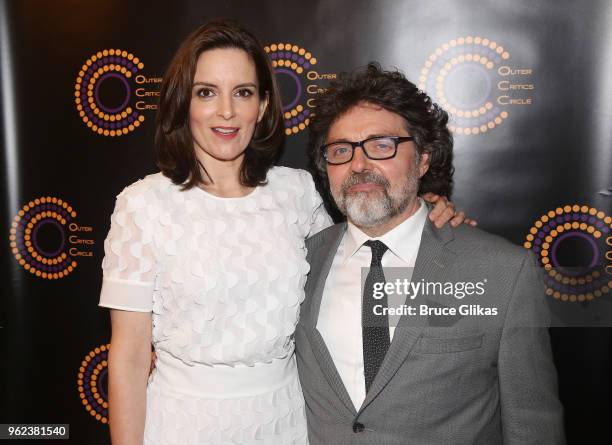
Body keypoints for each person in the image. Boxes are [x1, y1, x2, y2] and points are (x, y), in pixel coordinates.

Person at [99, 21, 469, 445]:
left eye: (243, 92)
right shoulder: (143, 205)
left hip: (287, 420)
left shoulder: (297, 192)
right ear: (184, 104)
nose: (226, 111)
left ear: (261, 106)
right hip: (184, 422)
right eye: (206, 92)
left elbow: (356, 262)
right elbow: (128, 356)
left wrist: (427, 213)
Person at [296, 63, 565, 444]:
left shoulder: (503, 272)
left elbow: (532, 422)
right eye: (341, 150)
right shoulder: (301, 263)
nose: (359, 164)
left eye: (381, 145)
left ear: (423, 158)